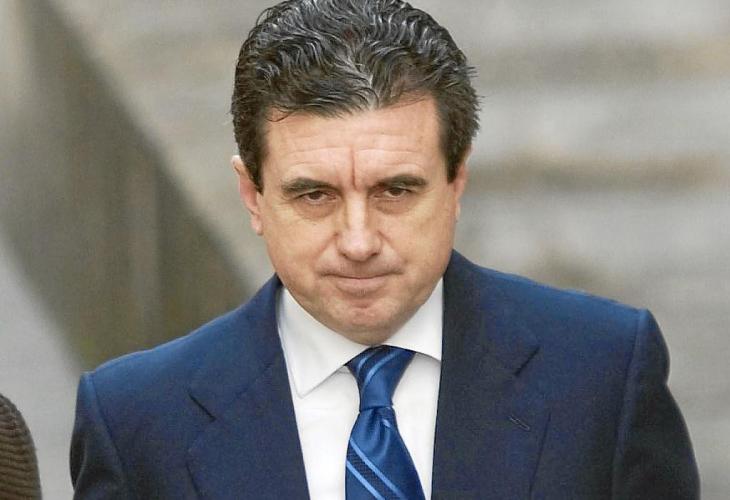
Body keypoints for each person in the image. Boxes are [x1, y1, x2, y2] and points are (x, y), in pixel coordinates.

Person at [70, 0, 699, 498]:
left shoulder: (602, 375)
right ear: (252, 196)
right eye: (314, 195)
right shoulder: (136, 421)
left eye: (395, 190)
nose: (359, 241)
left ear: (457, 183)